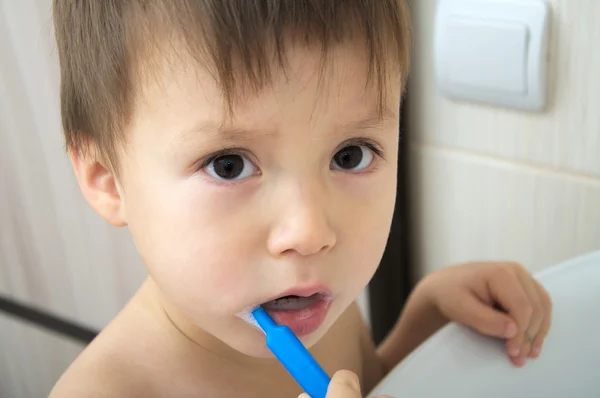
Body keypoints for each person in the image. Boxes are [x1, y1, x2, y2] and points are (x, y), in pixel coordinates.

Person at [49, 1, 552, 397]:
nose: (311, 232)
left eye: (351, 155)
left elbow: (366, 383)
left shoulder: (312, 304)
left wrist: (427, 322)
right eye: (229, 165)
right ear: (108, 180)